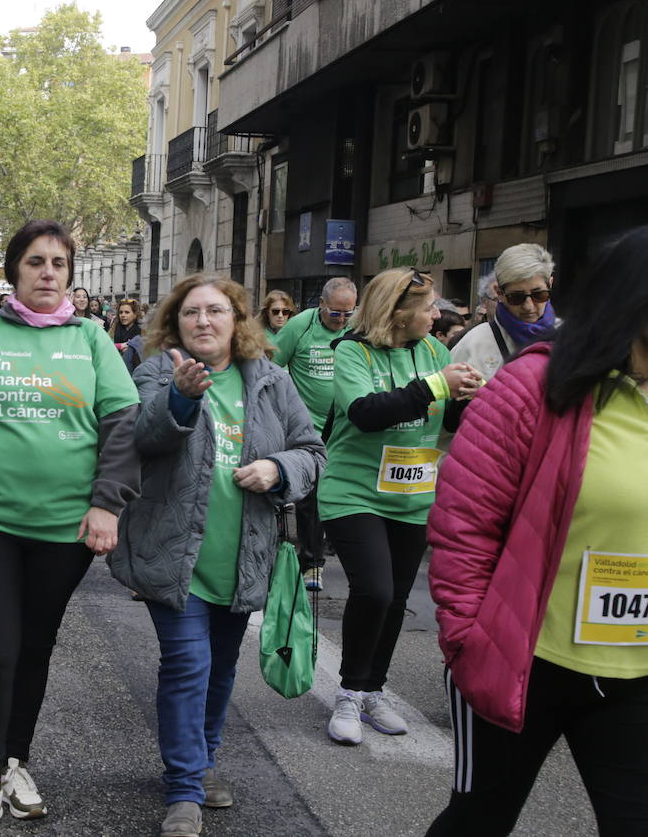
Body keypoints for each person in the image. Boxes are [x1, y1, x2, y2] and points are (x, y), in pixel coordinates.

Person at [0, 220, 141, 837]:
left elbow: (122, 429)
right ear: (12, 272)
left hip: (64, 528)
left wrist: (106, 505)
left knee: (34, 649)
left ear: (70, 274)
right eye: (35, 262)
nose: (47, 273)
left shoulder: (93, 340)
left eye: (59, 264)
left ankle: (15, 764)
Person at [425, 226, 648, 837]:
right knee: (479, 821)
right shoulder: (533, 388)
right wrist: (470, 638)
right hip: (522, 655)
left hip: (634, 673)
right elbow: (464, 523)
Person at [109, 275, 325, 837]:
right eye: (191, 313)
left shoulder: (273, 380)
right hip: (173, 551)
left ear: (238, 319)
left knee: (221, 667)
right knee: (188, 664)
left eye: (216, 311)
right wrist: (181, 394)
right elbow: (142, 438)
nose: (203, 321)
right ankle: (183, 789)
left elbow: (312, 451)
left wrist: (280, 469)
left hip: (245, 555)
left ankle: (202, 762)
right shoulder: (157, 370)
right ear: (175, 322)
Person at [317, 268, 483, 746]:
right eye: (429, 306)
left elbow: (446, 415)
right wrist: (436, 387)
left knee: (395, 600)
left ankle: (373, 690)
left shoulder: (434, 350)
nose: (437, 314)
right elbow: (366, 413)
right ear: (399, 310)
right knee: (373, 590)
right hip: (354, 492)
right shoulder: (352, 349)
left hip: (412, 495)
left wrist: (465, 398)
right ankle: (348, 692)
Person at [271, 278, 357, 592]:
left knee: (344, 494)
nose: (343, 321)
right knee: (312, 497)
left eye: (349, 314)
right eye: (336, 314)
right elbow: (272, 367)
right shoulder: (299, 327)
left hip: (348, 428)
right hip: (309, 428)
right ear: (321, 304)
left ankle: (340, 552)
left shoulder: (357, 327)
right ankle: (311, 563)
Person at [450, 243, 556, 382]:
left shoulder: (568, 337)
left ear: (550, 283)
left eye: (539, 295)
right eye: (516, 297)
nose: (528, 306)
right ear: (499, 292)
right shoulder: (473, 345)